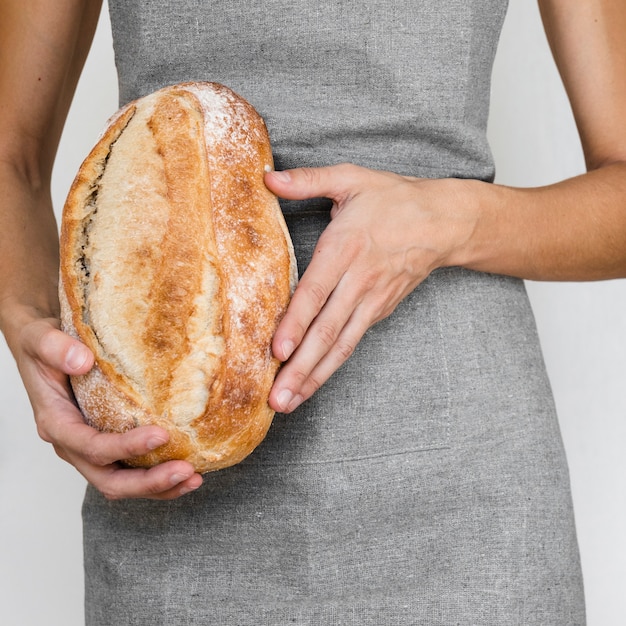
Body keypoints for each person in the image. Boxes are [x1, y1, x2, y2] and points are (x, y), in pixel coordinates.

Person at [1, 0, 625, 623]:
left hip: (463, 488)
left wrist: (448, 221)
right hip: (172, 485)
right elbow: (12, 159)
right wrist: (26, 322)